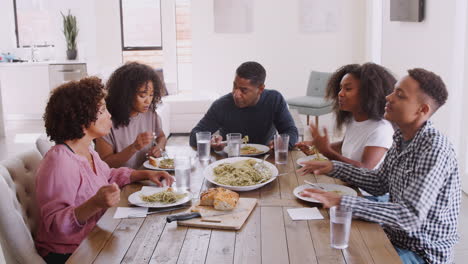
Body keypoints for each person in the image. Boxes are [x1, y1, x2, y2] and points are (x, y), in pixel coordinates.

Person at [298, 69, 460, 264]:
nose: (388, 97)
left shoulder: (433, 148)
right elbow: (380, 182)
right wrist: (333, 167)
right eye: (393, 91)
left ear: (422, 110)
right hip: (395, 237)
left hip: (422, 252)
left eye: (399, 95)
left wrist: (342, 202)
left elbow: (409, 217)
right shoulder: (401, 137)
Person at [34, 77, 174, 264]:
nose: (109, 116)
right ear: (80, 117)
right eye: (102, 111)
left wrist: (145, 174)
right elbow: (55, 226)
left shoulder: (86, 149)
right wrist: (94, 204)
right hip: (69, 254)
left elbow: (108, 175)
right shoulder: (59, 161)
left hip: (94, 236)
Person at [296, 63, 396, 169]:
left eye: (348, 89)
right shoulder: (353, 119)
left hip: (358, 186)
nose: (340, 94)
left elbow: (366, 170)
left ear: (367, 93)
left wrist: (327, 152)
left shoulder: (381, 129)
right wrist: (316, 147)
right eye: (340, 88)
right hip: (344, 182)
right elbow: (344, 145)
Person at [189, 61, 298, 150]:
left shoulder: (274, 99)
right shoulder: (221, 105)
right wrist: (210, 141)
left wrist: (282, 143)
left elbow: (291, 131)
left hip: (266, 159)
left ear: (260, 89)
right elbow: (195, 134)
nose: (236, 94)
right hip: (230, 160)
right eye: (234, 86)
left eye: (243, 90)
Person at [95, 62, 167, 169]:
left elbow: (161, 137)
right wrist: (133, 148)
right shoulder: (106, 120)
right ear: (126, 94)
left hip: (146, 176)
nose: (148, 101)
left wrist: (159, 148)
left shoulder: (150, 114)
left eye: (151, 95)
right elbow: (105, 164)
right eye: (142, 95)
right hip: (121, 183)